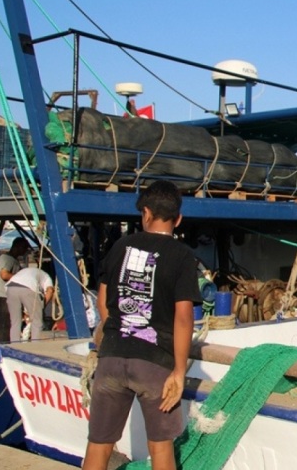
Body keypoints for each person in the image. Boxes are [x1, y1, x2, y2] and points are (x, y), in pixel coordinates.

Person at [82, 181, 201, 470]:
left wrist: (119, 333)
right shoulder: (182, 255)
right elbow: (184, 317)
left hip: (112, 357)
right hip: (154, 363)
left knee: (98, 445)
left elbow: (102, 301)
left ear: (145, 213)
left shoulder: (121, 246)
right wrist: (179, 372)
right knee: (160, 450)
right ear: (178, 219)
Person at [0, 237, 30, 342]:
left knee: (11, 324)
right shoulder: (7, 259)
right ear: (17, 246)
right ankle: (3, 345)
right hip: (3, 296)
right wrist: (20, 278)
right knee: (4, 325)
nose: (25, 251)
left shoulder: (13, 260)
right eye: (24, 248)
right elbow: (4, 274)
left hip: (10, 297)